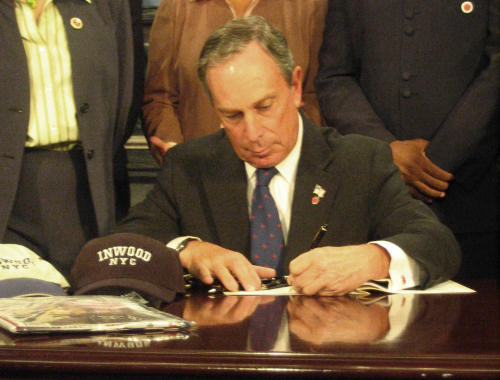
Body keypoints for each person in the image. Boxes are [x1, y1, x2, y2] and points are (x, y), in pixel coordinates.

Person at [115, 15, 460, 296]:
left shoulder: (359, 161)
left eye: (264, 107)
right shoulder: (189, 166)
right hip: (227, 353)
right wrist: (187, 250)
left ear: (295, 88)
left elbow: (438, 244)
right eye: (233, 116)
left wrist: (375, 258)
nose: (252, 133)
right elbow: (122, 245)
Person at [315, 0, 499, 279]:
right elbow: (335, 76)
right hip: (374, 206)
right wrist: (383, 150)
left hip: (470, 199)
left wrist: (436, 160)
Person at [0, 0, 141, 278]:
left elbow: (123, 98)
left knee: (90, 302)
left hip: (86, 188)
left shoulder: (107, 6)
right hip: (11, 193)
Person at [142, 0, 327, 164]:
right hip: (203, 170)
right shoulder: (178, 5)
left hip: (286, 169)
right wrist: (177, 150)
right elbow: (160, 97)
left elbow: (316, 94)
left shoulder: (309, 5)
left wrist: (303, 158)